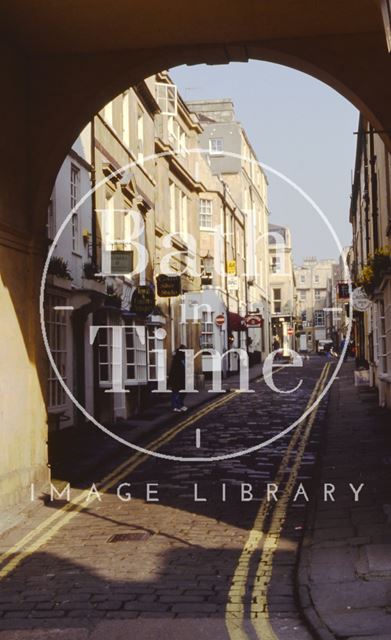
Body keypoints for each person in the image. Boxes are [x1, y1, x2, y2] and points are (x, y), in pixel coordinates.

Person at [168, 345, 187, 413]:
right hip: (176, 379)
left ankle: (180, 405)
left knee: (183, 393)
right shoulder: (176, 359)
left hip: (183, 379)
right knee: (176, 393)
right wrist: (170, 380)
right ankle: (175, 406)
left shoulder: (184, 358)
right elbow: (173, 371)